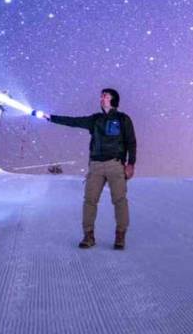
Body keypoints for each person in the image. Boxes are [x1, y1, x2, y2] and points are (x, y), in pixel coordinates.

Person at [35, 89, 136, 250]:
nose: (102, 98)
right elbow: (73, 121)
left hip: (115, 165)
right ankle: (88, 236)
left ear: (113, 100)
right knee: (89, 201)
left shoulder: (123, 119)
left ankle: (120, 236)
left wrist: (131, 163)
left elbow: (131, 142)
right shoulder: (95, 119)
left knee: (119, 200)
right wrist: (50, 117)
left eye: (106, 96)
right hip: (95, 166)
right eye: (101, 96)